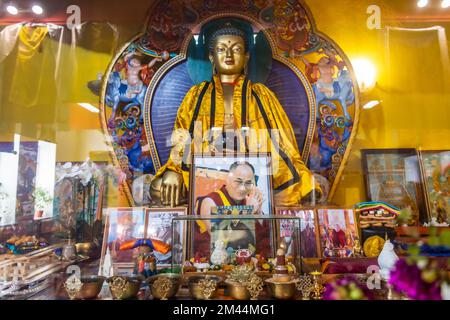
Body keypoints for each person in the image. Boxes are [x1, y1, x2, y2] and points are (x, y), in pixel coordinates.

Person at [150, 23, 320, 207]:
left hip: (252, 169)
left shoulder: (261, 94)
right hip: (206, 168)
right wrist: (173, 170)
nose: (229, 55)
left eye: (236, 49)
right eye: (221, 49)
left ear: (246, 57)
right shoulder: (197, 95)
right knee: (159, 188)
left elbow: (282, 142)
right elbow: (181, 138)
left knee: (302, 186)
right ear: (211, 57)